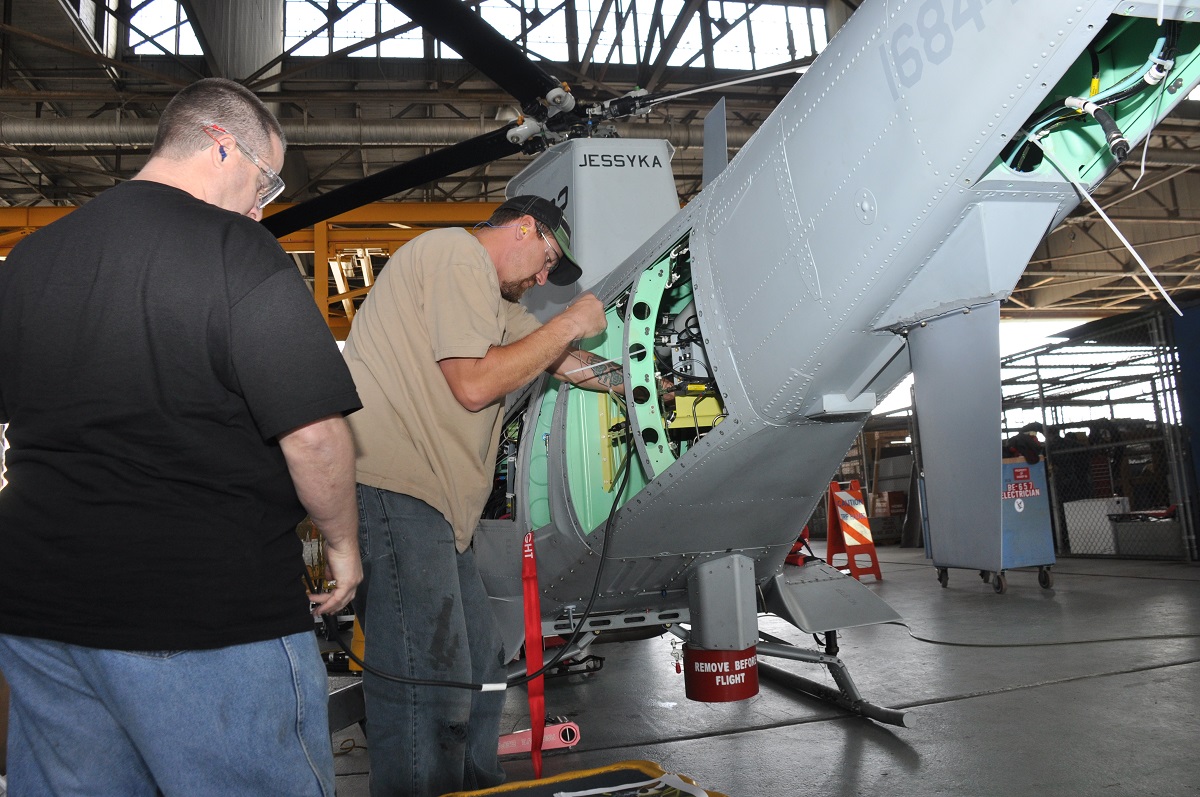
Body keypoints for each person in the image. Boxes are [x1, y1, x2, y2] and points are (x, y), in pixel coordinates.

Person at [0, 77, 362, 796]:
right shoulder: (240, 251)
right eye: (267, 183)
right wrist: (344, 546)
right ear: (222, 147)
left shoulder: (31, 262)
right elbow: (315, 435)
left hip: (40, 611)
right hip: (202, 611)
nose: (264, 207)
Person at [342, 195, 618, 796]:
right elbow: (473, 385)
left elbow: (566, 362)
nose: (544, 279)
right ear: (524, 227)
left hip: (442, 512)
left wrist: (651, 383)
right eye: (546, 260)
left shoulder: (490, 303)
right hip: (398, 490)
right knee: (428, 677)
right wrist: (571, 318)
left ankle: (473, 786)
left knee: (482, 665)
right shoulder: (454, 253)